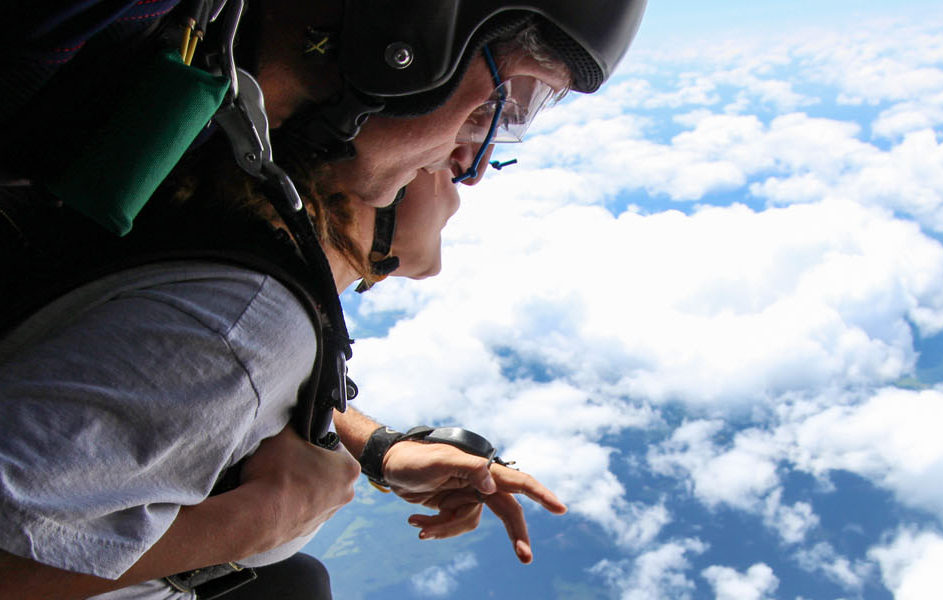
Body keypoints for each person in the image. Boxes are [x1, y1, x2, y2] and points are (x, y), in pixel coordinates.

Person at [0, 0, 646, 598]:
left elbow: (169, 386)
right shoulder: (251, 324)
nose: (465, 165)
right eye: (492, 110)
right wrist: (247, 526)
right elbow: (212, 365)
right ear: (409, 37)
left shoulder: (180, 139)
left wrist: (379, 448)